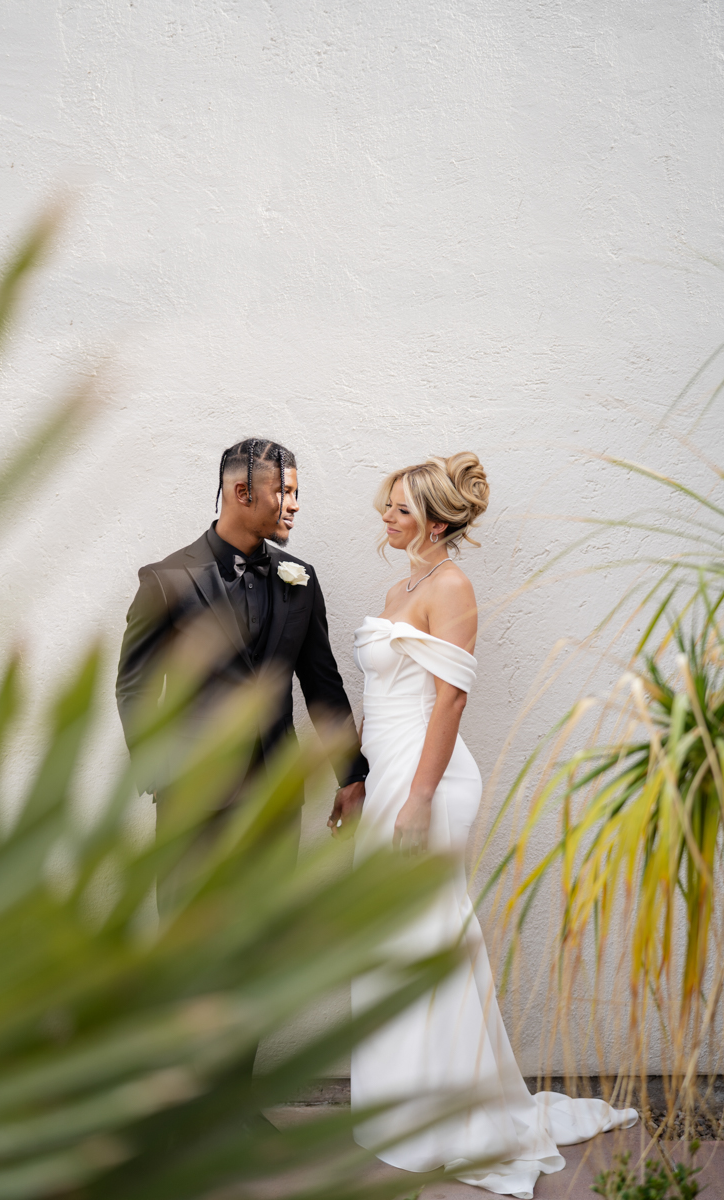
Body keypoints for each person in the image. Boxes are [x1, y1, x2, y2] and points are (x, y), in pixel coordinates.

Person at [343, 452, 637, 1200]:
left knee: (428, 933)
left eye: (400, 510)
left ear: (438, 520)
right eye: (387, 507)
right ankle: (400, 1104)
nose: (386, 519)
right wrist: (361, 781)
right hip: (388, 768)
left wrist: (417, 795)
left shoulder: (452, 587)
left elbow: (449, 703)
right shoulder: (401, 584)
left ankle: (451, 1112)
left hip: (428, 779)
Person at [116, 435, 368, 842]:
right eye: (284, 491)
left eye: (296, 493)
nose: (295, 504)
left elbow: (322, 683)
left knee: (277, 909)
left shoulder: (301, 579)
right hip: (192, 795)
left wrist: (351, 774)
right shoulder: (166, 581)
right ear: (242, 492)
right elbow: (134, 686)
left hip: (277, 797)